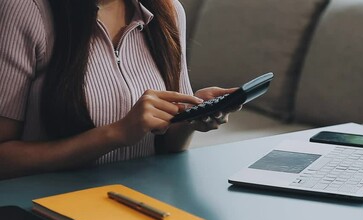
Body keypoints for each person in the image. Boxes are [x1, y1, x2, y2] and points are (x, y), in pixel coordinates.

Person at [0, 0, 238, 180]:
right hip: (50, 208)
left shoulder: (169, 10)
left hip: (144, 202)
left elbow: (168, 147)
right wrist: (115, 134)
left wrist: (190, 119)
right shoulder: (25, 9)